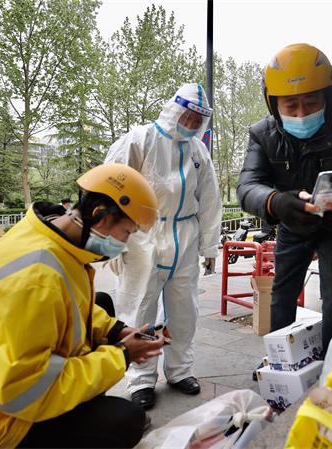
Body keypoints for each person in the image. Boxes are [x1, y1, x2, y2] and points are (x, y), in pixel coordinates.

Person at [0, 164, 165, 448]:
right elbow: (22, 394)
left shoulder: (44, 233)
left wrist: (116, 330)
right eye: (126, 232)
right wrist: (121, 356)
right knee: (124, 420)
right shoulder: (36, 277)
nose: (125, 243)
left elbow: (71, 300)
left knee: (102, 304)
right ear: (99, 215)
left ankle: (78, 406)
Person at [237, 43, 332, 358]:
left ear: (328, 97)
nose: (301, 114)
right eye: (291, 106)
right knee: (282, 293)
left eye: (311, 103)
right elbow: (248, 186)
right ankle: (278, 359)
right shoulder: (262, 134)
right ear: (274, 105)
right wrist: (276, 202)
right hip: (292, 223)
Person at [104, 83, 222, 410]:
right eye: (187, 114)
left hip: (185, 234)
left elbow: (210, 201)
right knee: (139, 308)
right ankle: (141, 379)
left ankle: (180, 370)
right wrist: (113, 242)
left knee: (185, 311)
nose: (191, 121)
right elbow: (110, 185)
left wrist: (209, 247)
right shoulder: (139, 140)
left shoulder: (198, 152)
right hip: (143, 235)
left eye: (198, 118)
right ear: (173, 109)